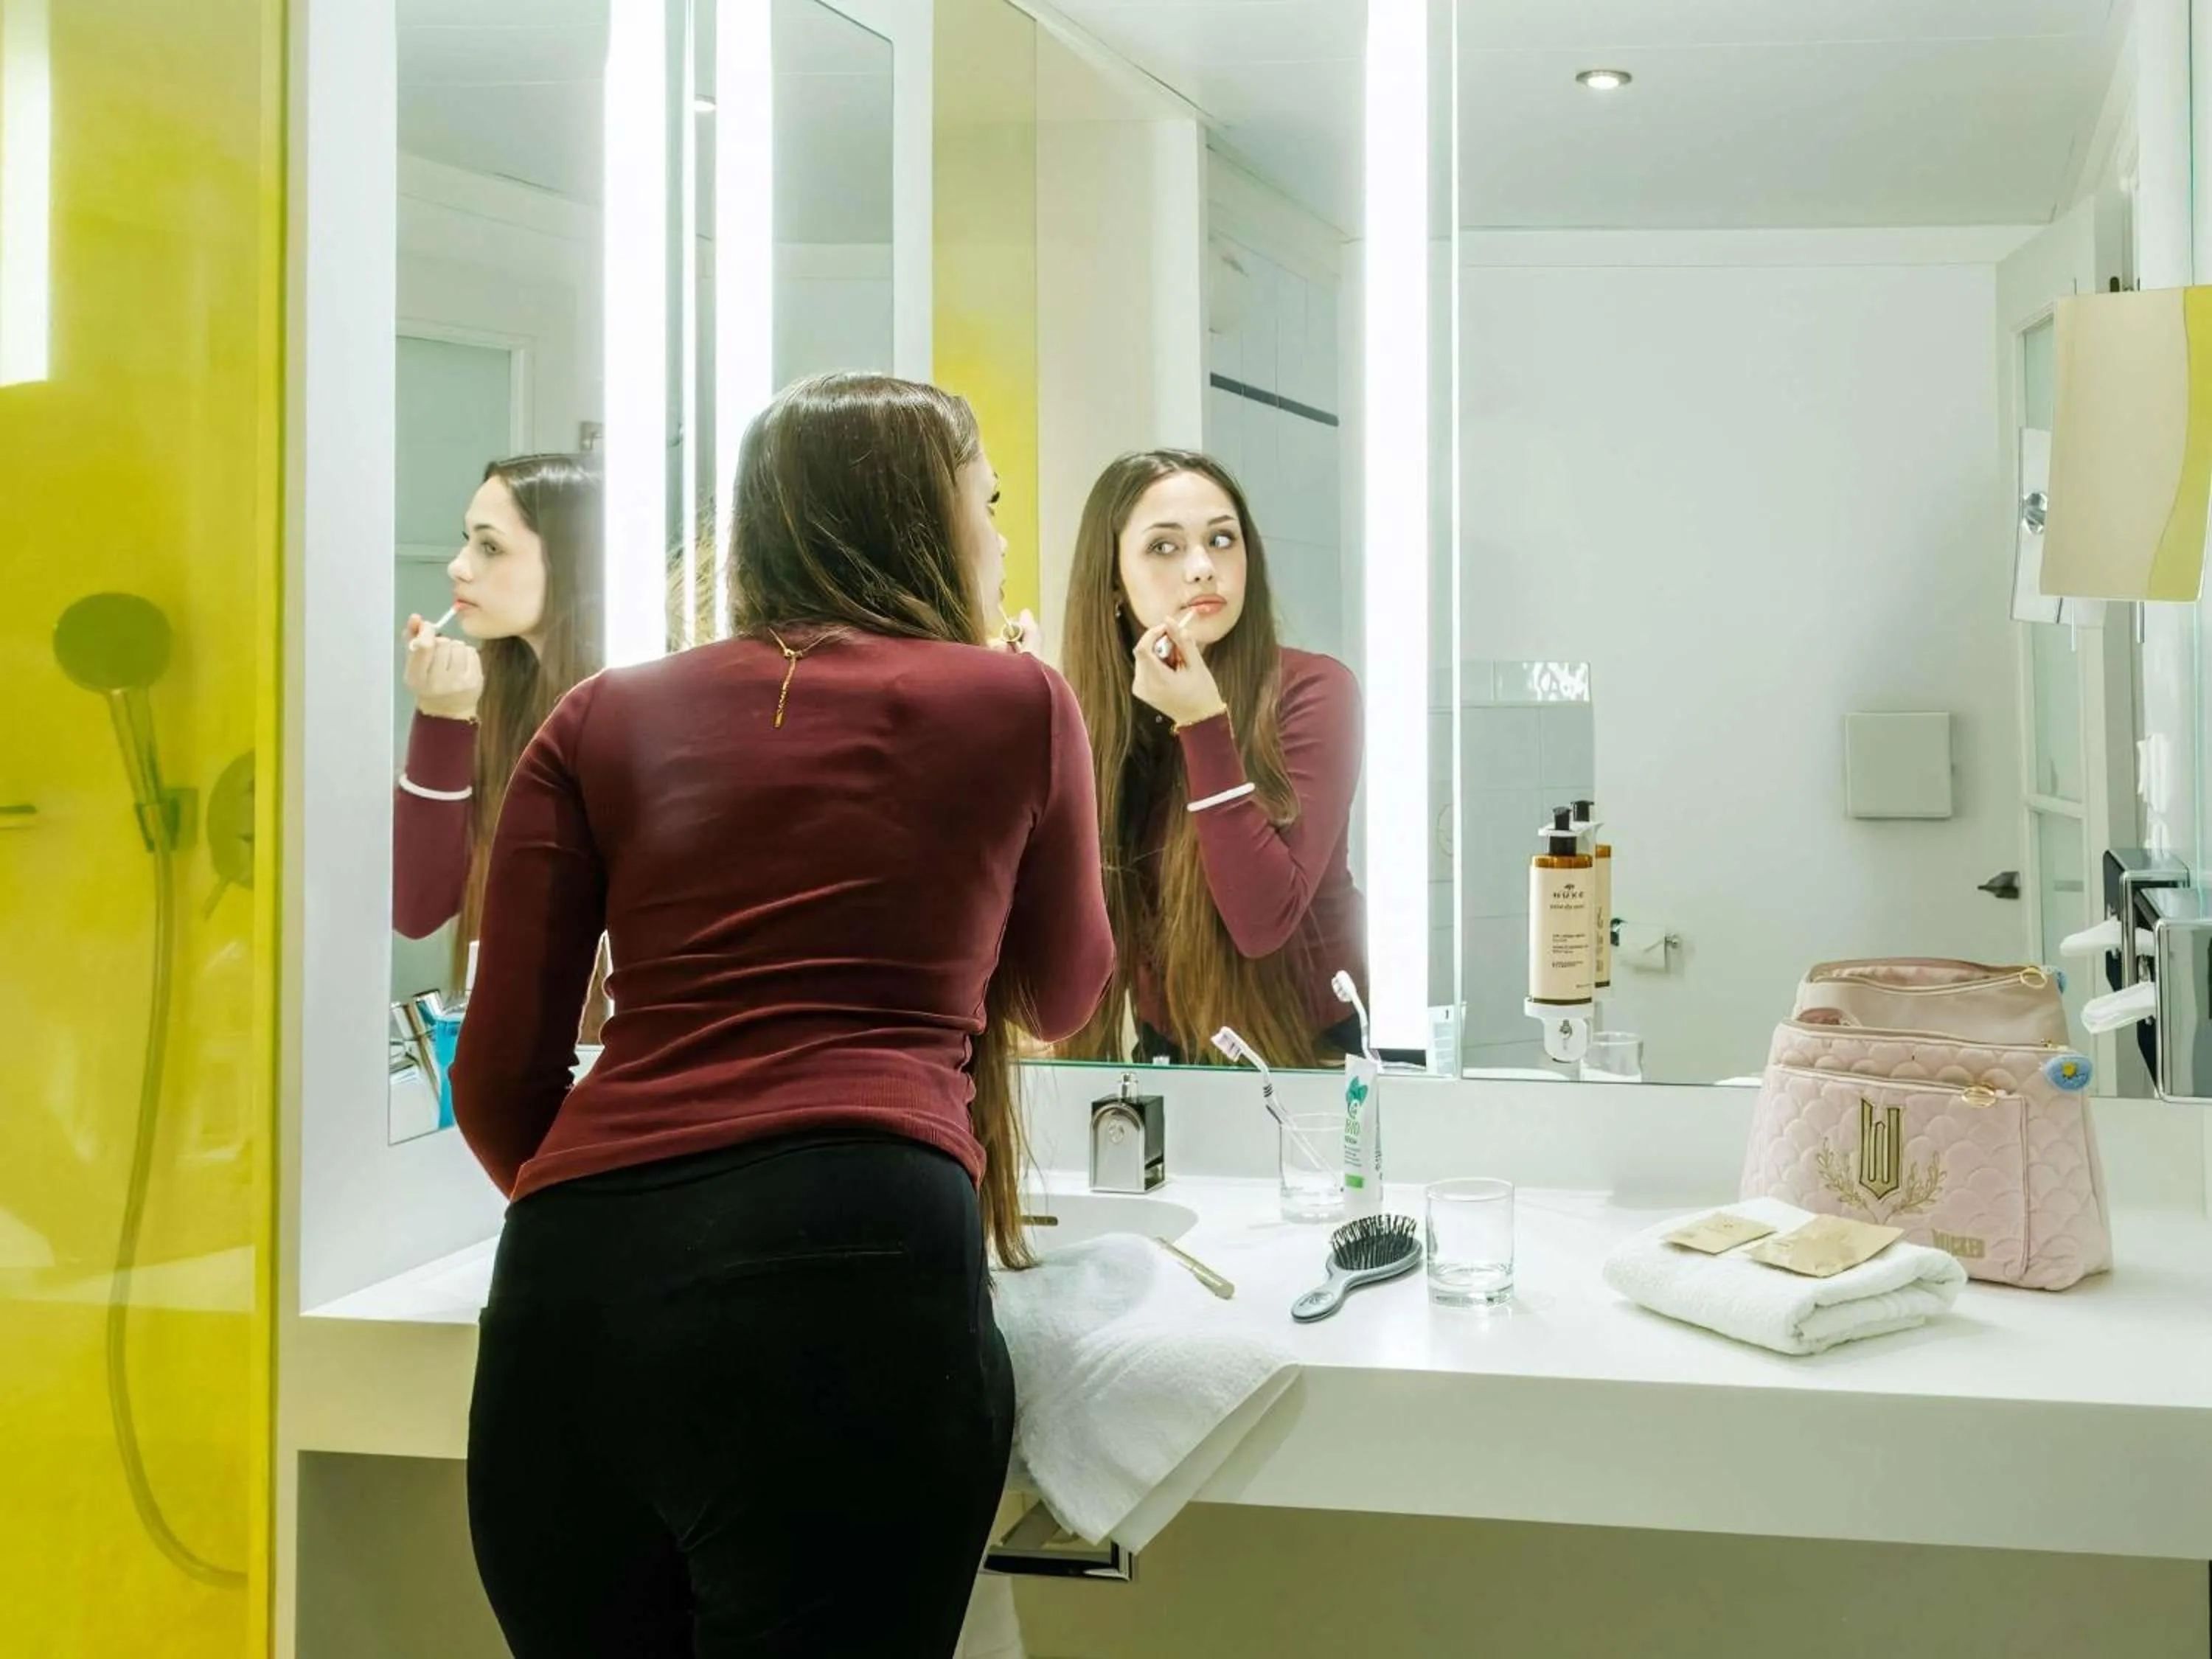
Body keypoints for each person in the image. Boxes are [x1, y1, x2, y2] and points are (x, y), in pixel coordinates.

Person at [452, 372, 1114, 1658]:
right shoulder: (1016, 702)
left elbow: (496, 1084)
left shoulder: (598, 715)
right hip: (852, 1267)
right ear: (932, 519)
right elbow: (1061, 994)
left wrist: (622, 1219)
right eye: (986, 504)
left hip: (570, 1294)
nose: (998, 538)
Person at [1061, 448, 1366, 1069]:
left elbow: (1262, 920)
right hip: (1169, 1059)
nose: (1202, 567)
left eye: (1222, 539)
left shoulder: (1316, 692)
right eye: (1165, 548)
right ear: (1114, 584)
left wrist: (1202, 723)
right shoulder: (1097, 720)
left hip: (1313, 1062)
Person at [392, 453, 605, 982]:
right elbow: (416, 908)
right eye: (466, 540)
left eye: (489, 546)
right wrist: (441, 718)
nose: (458, 566)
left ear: (571, 562)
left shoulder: (638, 705)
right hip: (515, 1037)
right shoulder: (497, 695)